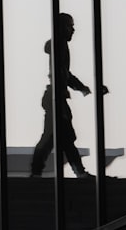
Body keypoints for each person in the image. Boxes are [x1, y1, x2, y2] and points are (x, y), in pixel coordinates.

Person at [30, 12, 107, 178]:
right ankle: (77, 172)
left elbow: (64, 72)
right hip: (56, 98)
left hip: (55, 97)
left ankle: (41, 172)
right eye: (69, 26)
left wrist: (81, 87)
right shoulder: (59, 45)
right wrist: (81, 87)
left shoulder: (59, 45)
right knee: (60, 137)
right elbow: (63, 72)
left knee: (58, 138)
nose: (73, 30)